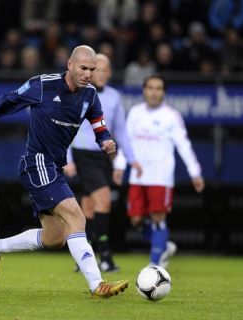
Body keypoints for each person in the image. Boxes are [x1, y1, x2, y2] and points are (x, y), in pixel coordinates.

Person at [0, 45, 129, 298]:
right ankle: (97, 285)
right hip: (36, 162)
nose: (88, 74)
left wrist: (105, 140)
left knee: (55, 238)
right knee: (77, 217)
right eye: (83, 68)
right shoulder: (42, 85)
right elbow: (7, 102)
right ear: (69, 65)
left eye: (92, 70)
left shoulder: (91, 95)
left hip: (54, 167)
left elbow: (99, 125)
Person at [114, 74, 205, 269]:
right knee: (136, 220)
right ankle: (163, 245)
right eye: (150, 88)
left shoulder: (171, 116)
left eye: (158, 89)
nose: (154, 92)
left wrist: (195, 172)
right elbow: (126, 142)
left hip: (160, 176)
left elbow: (184, 145)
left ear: (163, 93)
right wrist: (120, 166)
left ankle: (155, 264)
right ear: (144, 91)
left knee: (157, 216)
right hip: (138, 176)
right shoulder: (136, 113)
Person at [64, 54, 142, 272]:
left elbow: (121, 132)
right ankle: (106, 256)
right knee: (104, 200)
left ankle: (82, 257)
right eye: (97, 69)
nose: (101, 73)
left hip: (103, 157)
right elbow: (66, 128)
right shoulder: (78, 94)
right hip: (83, 154)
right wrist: (67, 159)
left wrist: (128, 161)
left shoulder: (115, 97)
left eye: (105, 69)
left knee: (88, 208)